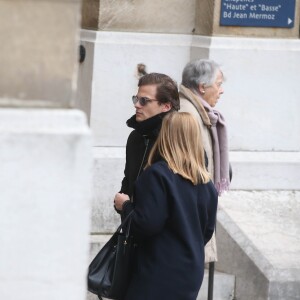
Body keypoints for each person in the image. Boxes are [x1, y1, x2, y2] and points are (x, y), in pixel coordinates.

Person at [115, 112, 218, 300]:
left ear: (166, 136)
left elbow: (145, 224)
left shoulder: (158, 175)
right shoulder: (207, 184)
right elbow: (207, 231)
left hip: (157, 269)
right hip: (190, 271)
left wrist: (126, 205)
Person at [179, 59, 230, 299]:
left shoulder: (199, 111)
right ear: (202, 86)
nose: (221, 90)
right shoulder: (188, 114)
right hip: (192, 217)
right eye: (218, 84)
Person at [114, 72, 180, 211]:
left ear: (166, 106)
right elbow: (128, 180)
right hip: (134, 227)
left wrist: (126, 208)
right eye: (136, 99)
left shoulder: (177, 141)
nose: (137, 105)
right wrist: (122, 202)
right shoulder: (135, 137)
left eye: (144, 100)